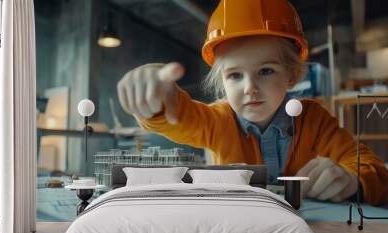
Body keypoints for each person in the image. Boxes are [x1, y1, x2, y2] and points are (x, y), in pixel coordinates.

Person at [117, 0, 388, 206]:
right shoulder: (218, 120)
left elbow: (373, 168)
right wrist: (159, 99)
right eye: (235, 75)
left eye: (266, 71)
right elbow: (183, 116)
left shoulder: (314, 120)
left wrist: (353, 180)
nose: (250, 88)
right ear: (223, 82)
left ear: (292, 75)